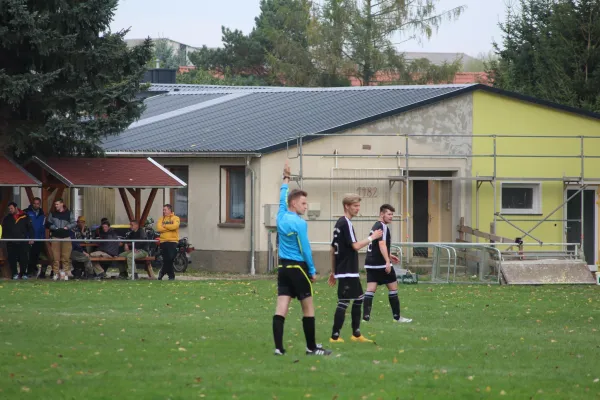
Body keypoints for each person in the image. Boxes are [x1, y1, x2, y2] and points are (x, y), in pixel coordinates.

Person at [273, 160, 331, 356]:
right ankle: (311, 348)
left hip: (282, 269)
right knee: (308, 308)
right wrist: (312, 270)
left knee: (281, 307)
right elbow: (305, 249)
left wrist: (286, 178)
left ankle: (279, 348)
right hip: (298, 269)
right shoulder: (299, 223)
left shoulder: (280, 216)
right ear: (294, 203)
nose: (306, 207)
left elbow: (281, 196)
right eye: (303, 203)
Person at [328, 194, 382, 344]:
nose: (358, 209)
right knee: (344, 302)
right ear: (347, 206)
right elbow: (356, 246)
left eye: (358, 206)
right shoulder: (345, 223)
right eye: (355, 206)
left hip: (346, 270)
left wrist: (333, 271)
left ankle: (356, 334)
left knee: (359, 298)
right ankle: (334, 336)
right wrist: (373, 237)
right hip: (347, 270)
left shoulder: (339, 223)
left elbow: (332, 249)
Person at [362, 204, 412, 323]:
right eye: (389, 214)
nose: (391, 217)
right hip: (380, 264)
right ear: (382, 214)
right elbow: (381, 244)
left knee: (370, 290)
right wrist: (387, 262)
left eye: (392, 215)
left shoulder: (375, 225)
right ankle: (397, 317)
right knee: (393, 288)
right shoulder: (382, 226)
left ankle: (365, 318)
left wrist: (389, 255)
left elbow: (375, 246)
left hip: (370, 263)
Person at [1, 202, 34, 280]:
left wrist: (31, 238)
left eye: (11, 208)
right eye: (9, 209)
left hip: (23, 241)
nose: (10, 210)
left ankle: (23, 273)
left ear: (16, 208)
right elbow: (4, 229)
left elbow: (30, 228)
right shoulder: (7, 218)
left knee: (24, 258)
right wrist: (6, 238)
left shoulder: (25, 216)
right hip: (11, 242)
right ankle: (14, 273)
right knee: (12, 258)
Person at [46, 198, 76, 281]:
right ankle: (56, 273)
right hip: (55, 237)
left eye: (57, 204)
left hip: (66, 237)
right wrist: (54, 228)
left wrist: (67, 227)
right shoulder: (53, 213)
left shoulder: (69, 213)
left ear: (62, 204)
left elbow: (74, 223)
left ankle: (65, 274)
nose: (56, 206)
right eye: (55, 204)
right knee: (56, 257)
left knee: (66, 257)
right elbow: (48, 223)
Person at [157, 204, 180, 281]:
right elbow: (159, 229)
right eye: (163, 210)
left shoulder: (175, 218)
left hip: (173, 241)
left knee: (170, 258)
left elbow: (175, 226)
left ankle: (162, 272)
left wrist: (165, 226)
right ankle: (171, 276)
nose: (164, 211)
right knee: (166, 259)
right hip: (163, 241)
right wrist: (169, 227)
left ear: (170, 210)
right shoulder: (161, 219)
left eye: (165, 210)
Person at [25, 197, 46, 278]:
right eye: (35, 203)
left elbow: (43, 227)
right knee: (29, 256)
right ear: (32, 203)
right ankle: (29, 271)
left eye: (38, 204)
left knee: (36, 255)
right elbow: (25, 227)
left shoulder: (42, 214)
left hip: (39, 238)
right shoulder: (26, 212)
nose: (36, 205)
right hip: (29, 239)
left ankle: (34, 270)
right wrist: (28, 237)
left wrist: (43, 238)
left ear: (40, 204)